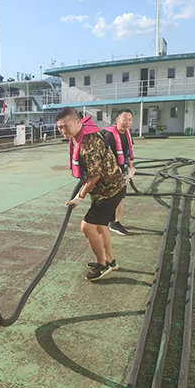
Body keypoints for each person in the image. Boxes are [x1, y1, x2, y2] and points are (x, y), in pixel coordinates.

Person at [57, 107, 126, 281]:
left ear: (78, 121)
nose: (63, 131)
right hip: (112, 188)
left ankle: (102, 265)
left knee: (87, 226)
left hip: (109, 191)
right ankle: (110, 261)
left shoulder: (88, 143)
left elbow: (94, 175)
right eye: (60, 127)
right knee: (100, 226)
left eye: (66, 126)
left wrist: (79, 197)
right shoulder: (82, 136)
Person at [101, 109, 136, 235]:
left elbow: (127, 153)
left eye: (130, 120)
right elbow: (103, 157)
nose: (127, 122)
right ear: (117, 120)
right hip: (109, 173)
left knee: (120, 197)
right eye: (124, 119)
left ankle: (114, 221)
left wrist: (131, 168)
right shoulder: (110, 136)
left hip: (120, 172)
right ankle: (114, 223)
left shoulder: (127, 134)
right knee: (115, 197)